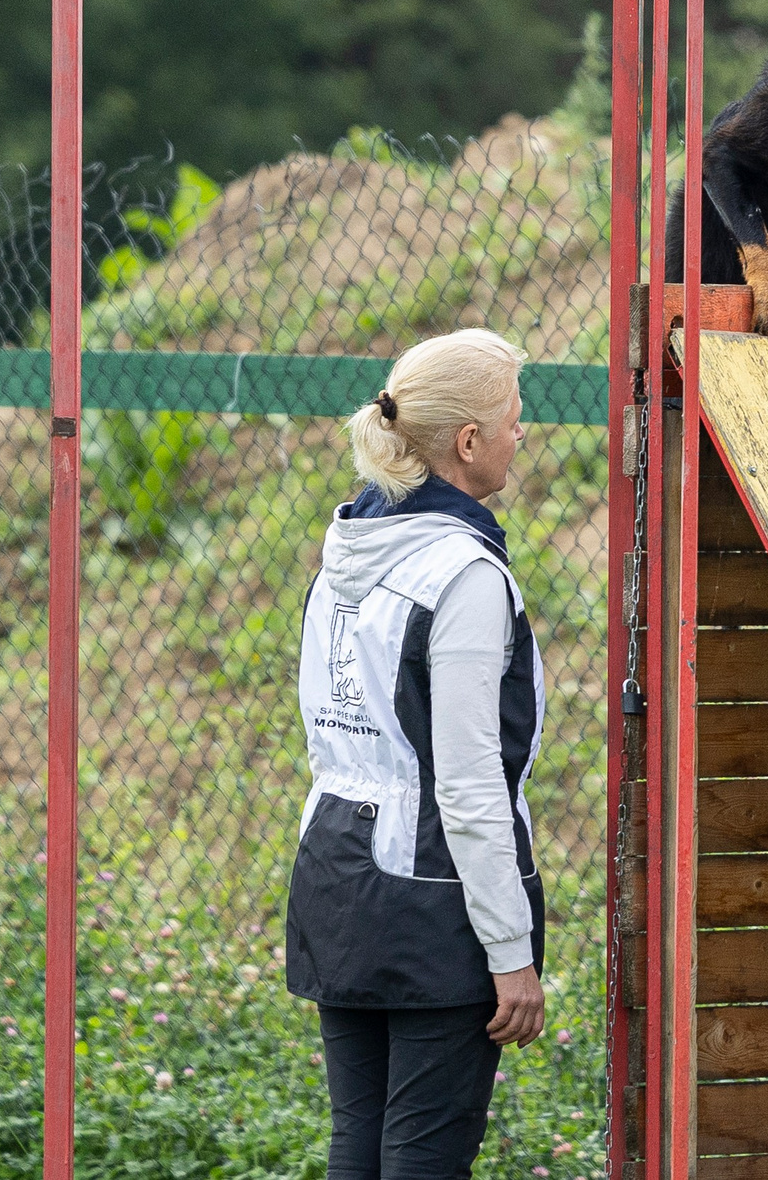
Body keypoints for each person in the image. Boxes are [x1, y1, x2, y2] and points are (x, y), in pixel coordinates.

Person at [285, 328, 547, 1179]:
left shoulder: (343, 553)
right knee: (425, 1160)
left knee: (357, 1149)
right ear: (467, 443)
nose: (522, 434)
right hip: (434, 902)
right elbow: (469, 785)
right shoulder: (463, 575)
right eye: (513, 419)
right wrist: (511, 952)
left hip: (336, 880)